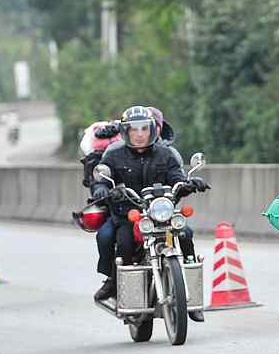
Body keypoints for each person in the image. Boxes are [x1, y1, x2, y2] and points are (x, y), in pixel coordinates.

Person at [89, 106, 210, 323]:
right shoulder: (114, 153)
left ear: (153, 130)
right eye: (134, 129)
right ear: (126, 131)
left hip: (161, 215)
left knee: (186, 234)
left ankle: (191, 299)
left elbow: (177, 177)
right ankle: (117, 285)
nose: (139, 134)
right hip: (129, 214)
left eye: (144, 128)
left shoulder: (166, 153)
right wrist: (102, 187)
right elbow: (102, 174)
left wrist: (189, 183)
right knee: (122, 242)